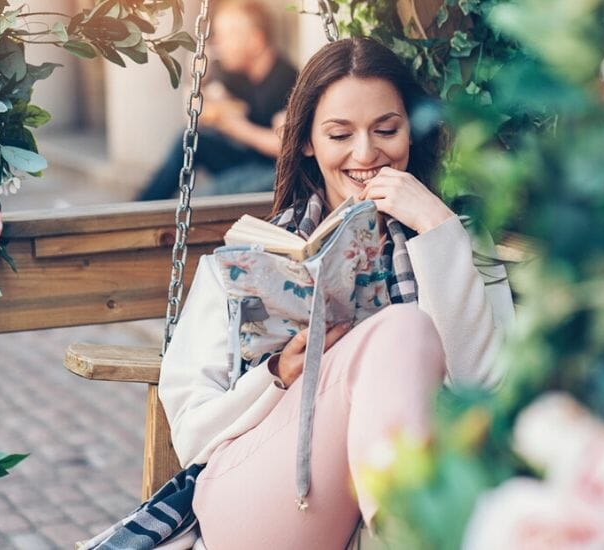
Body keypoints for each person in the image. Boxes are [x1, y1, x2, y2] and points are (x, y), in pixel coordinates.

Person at [158, 38, 515, 548]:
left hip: (398, 491)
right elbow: (191, 433)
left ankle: (401, 526)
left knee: (404, 332)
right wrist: (276, 375)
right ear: (307, 141)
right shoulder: (246, 261)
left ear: (412, 132)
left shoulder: (450, 241)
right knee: (403, 327)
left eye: (387, 130)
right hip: (262, 496)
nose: (366, 154)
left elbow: (487, 392)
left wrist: (437, 229)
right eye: (339, 134)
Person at [136, 0, 297, 200]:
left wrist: (236, 127)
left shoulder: (287, 80)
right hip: (246, 160)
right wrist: (198, 81)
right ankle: (139, 207)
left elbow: (286, 147)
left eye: (227, 36)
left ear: (255, 40)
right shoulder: (236, 75)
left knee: (208, 194)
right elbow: (196, 115)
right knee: (189, 138)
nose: (218, 44)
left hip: (276, 173)